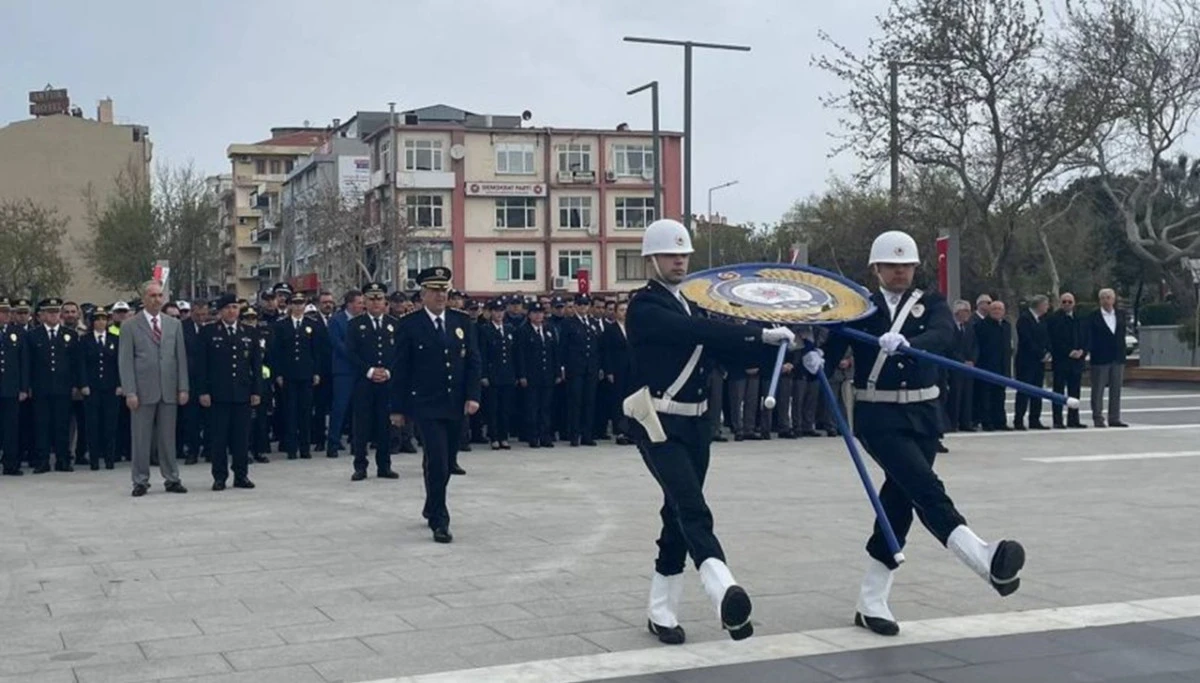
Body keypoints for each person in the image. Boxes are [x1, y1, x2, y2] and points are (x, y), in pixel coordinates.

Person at [816, 230, 1025, 638]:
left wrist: (907, 342)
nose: (900, 271)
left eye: (906, 265)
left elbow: (943, 335)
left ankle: (871, 601)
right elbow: (829, 353)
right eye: (892, 265)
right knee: (925, 488)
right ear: (876, 268)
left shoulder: (930, 303)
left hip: (925, 413)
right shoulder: (858, 306)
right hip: (878, 416)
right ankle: (983, 559)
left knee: (899, 502)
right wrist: (811, 356)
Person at [625, 218, 797, 644]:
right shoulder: (645, 306)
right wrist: (757, 332)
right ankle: (725, 594)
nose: (679, 260)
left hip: (697, 422)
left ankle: (660, 610)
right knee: (692, 506)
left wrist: (774, 347)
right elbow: (694, 333)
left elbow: (722, 353)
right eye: (670, 254)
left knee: (676, 515)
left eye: (683, 254)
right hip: (659, 423)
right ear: (652, 259)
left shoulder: (694, 305)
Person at [390, 267, 481, 543]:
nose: (441, 295)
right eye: (435, 291)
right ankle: (440, 519)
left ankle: (431, 503)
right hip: (426, 404)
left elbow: (473, 361)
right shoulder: (409, 324)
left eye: (445, 290)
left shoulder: (461, 321)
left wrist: (473, 395)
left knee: (447, 459)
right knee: (439, 460)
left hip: (454, 403)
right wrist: (397, 408)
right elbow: (401, 368)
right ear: (423, 294)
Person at [119, 280, 190, 496]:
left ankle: (172, 478)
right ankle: (140, 480)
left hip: (169, 389)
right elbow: (125, 361)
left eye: (160, 295)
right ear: (143, 299)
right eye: (152, 296)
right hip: (142, 390)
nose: (156, 299)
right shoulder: (130, 325)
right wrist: (129, 391)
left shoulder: (173, 324)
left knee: (168, 438)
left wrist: (183, 387)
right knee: (141, 438)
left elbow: (180, 358)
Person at [196, 295, 262, 491]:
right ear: (220, 311)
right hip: (218, 394)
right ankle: (219, 477)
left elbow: (256, 365)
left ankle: (241, 475)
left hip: (242, 393)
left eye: (234, 307)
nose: (232, 311)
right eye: (227, 308)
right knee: (219, 439)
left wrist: (256, 390)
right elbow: (201, 366)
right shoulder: (208, 332)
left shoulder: (249, 332)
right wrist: (203, 391)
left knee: (241, 438)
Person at [346, 282, 401, 481]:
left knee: (384, 425)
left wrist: (388, 371)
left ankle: (384, 465)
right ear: (365, 302)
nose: (376, 303)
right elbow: (350, 353)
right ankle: (360, 466)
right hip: (364, 382)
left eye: (379, 299)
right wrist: (369, 371)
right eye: (371, 299)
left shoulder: (394, 324)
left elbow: (399, 354)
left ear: (385, 301)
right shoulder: (355, 324)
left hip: (387, 382)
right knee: (361, 425)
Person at [28, 297, 88, 473]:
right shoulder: (33, 335)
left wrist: (79, 384)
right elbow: (29, 364)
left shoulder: (69, 335)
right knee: (41, 425)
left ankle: (63, 460)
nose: (53, 315)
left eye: (56, 312)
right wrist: (28, 386)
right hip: (41, 388)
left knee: (62, 425)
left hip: (63, 388)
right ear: (43, 315)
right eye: (50, 312)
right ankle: (42, 461)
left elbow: (77, 363)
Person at [271, 291, 320, 460]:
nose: (298, 306)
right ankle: (291, 448)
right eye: (295, 303)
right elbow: (275, 352)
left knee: (306, 412)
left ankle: (305, 448)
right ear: (290, 305)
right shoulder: (281, 325)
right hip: (288, 374)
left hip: (306, 374)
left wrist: (316, 372)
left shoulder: (312, 324)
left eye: (301, 303)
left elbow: (317, 351)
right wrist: (277, 373)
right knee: (290, 412)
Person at [514, 301, 561, 448]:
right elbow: (520, 355)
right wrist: (522, 375)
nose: (538, 315)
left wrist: (558, 372)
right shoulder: (523, 331)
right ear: (529, 315)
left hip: (547, 374)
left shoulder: (549, 329)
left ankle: (545, 435)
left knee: (546, 407)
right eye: (535, 312)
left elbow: (555, 353)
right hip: (531, 375)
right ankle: (533, 436)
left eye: (541, 312)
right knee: (532, 407)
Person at [81, 307, 120, 470]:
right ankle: (94, 460)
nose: (101, 322)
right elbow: (81, 364)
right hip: (93, 388)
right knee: (93, 424)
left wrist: (120, 384)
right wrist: (83, 384)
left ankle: (110, 459)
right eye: (97, 319)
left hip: (111, 388)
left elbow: (119, 363)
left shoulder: (115, 339)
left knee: (110, 424)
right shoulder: (85, 340)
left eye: (104, 319)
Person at [1084, 287, 1129, 428]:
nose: (1106, 300)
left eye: (1109, 297)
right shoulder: (1093, 316)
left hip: (1117, 357)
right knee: (1098, 390)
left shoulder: (1121, 315)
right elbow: (1089, 337)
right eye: (1103, 297)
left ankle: (1114, 417)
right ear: (1100, 300)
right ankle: (1098, 417)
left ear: (1114, 299)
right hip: (1100, 358)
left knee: (1116, 389)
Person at [479, 298, 516, 450]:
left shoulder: (509, 329)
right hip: (493, 374)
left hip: (507, 374)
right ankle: (494, 437)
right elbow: (483, 354)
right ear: (490, 312)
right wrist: (484, 375)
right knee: (493, 407)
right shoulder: (485, 330)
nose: (499, 314)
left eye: (501, 311)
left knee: (505, 408)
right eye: (496, 311)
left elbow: (514, 354)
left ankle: (504, 436)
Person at [1046, 292, 1087, 428]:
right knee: (1058, 391)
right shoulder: (1054, 319)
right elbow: (1053, 340)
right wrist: (1068, 352)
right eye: (1064, 302)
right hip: (1061, 361)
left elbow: (1086, 337)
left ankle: (1073, 419)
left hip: (1077, 362)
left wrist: (1082, 351)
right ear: (1060, 303)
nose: (1067, 304)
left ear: (1074, 303)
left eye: (1070, 302)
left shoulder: (1080, 318)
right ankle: (1057, 420)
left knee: (1075, 391)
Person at [0, 297, 29, 476]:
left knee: (11, 427)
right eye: (3, 312)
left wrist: (23, 388)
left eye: (7, 312)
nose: (6, 315)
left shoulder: (17, 332)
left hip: (10, 387)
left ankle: (11, 463)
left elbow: (23, 362)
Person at [1013, 295, 1051, 430]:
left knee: (1037, 391)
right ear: (1039, 305)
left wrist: (1047, 352)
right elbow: (1026, 340)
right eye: (1046, 304)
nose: (1048, 307)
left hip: (1038, 362)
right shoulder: (1025, 319)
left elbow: (1045, 337)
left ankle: (1035, 419)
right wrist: (1040, 353)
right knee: (1023, 391)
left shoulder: (1041, 320)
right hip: (1026, 361)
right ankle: (1018, 420)